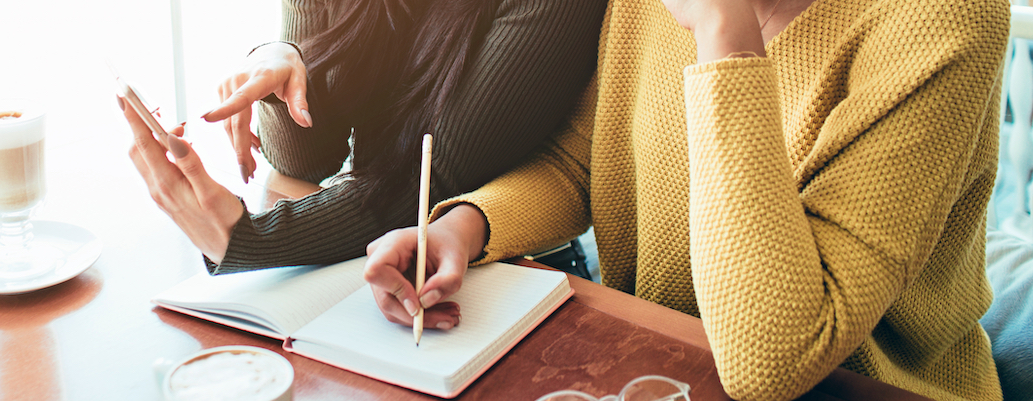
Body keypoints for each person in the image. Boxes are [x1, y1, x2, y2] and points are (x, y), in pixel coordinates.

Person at [360, 0, 1009, 399]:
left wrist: (724, 32)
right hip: (659, 366)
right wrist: (467, 228)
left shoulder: (944, 16)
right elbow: (580, 161)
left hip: (861, 385)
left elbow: (772, 360)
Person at [120, 0, 607, 276]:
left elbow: (429, 179)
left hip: (514, 273)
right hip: (369, 241)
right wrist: (284, 57)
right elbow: (305, 160)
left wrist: (246, 240)